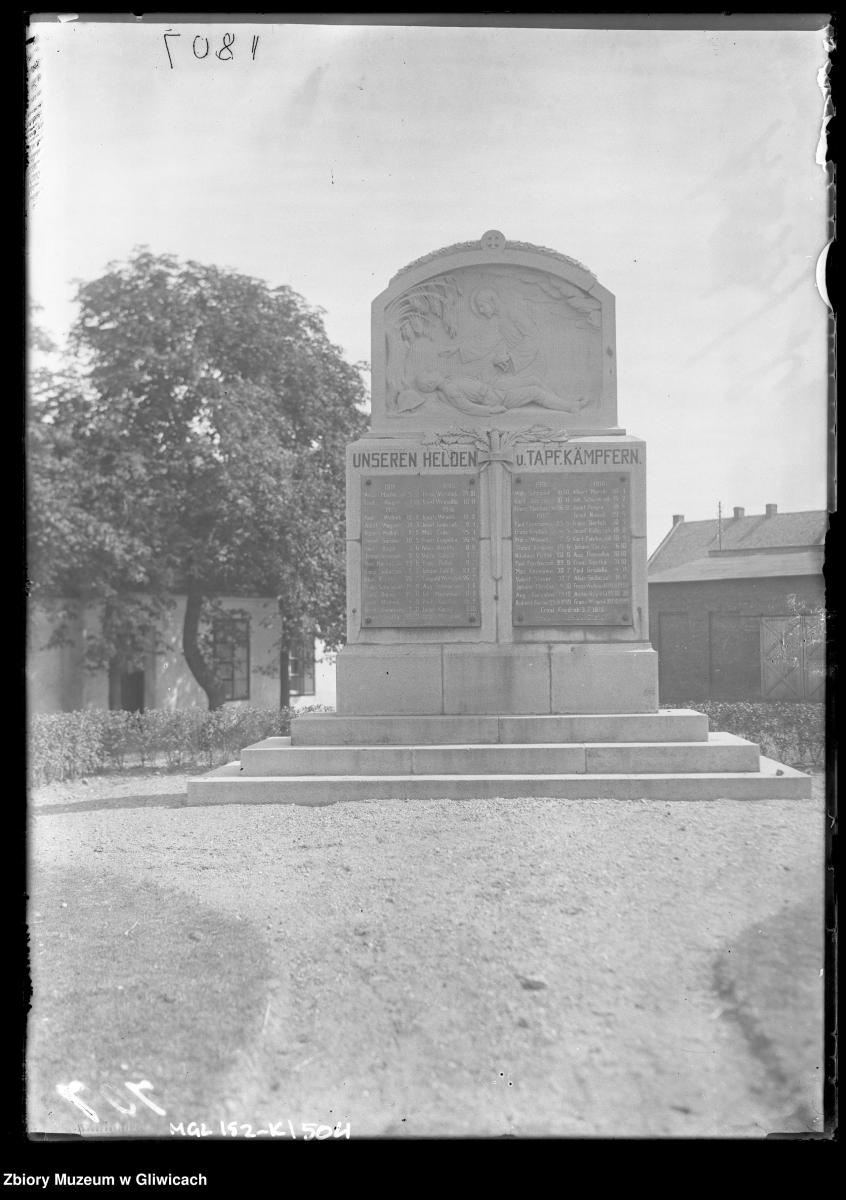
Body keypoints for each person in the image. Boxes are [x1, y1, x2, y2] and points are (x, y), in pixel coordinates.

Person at [415, 369, 590, 414]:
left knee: (533, 379)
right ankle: (570, 407)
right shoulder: (450, 390)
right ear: (430, 384)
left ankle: (562, 400)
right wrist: (492, 410)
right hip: (498, 398)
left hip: (496, 387)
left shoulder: (450, 378)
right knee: (535, 391)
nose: (432, 371)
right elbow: (467, 407)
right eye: (429, 373)